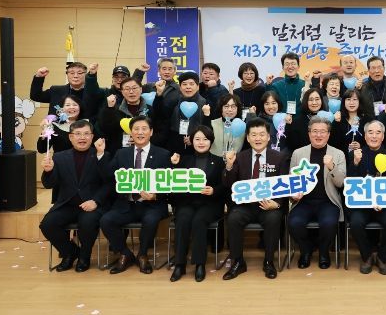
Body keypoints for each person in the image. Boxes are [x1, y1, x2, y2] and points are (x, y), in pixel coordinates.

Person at [100, 116, 171, 275]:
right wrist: (101, 154)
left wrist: (155, 196)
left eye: (144, 129)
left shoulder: (163, 154)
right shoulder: (121, 153)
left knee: (151, 220)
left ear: (151, 132)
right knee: (106, 220)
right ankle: (125, 253)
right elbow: (108, 176)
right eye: (136, 129)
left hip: (152, 204)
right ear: (130, 133)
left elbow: (169, 184)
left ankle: (142, 254)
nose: (140, 132)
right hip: (127, 204)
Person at [222, 118, 289, 280]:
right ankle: (238, 262)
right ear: (247, 138)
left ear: (268, 137)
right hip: (245, 205)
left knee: (273, 219)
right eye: (253, 135)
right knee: (233, 218)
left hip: (268, 204)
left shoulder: (279, 158)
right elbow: (229, 185)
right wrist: (229, 166)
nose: (258, 138)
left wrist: (277, 203)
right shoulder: (240, 157)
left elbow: (285, 184)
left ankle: (269, 261)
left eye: (261, 134)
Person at [39, 121, 111, 272]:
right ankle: (70, 253)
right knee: (47, 224)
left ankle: (84, 256)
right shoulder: (59, 157)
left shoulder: (101, 155)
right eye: (77, 134)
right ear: (70, 137)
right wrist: (48, 171)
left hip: (91, 205)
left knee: (88, 222)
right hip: (67, 204)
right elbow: (49, 184)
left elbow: (109, 183)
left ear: (92, 137)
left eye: (86, 134)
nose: (82, 137)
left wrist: (96, 201)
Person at [288, 117, 346, 269]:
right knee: (294, 223)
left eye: (322, 132)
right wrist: (293, 194)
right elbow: (291, 181)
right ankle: (305, 250)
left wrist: (332, 166)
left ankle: (324, 252)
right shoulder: (298, 153)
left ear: (328, 134)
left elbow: (341, 183)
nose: (318, 135)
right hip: (303, 202)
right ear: (309, 134)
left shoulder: (338, 154)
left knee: (329, 223)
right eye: (315, 131)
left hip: (328, 201)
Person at [168, 126, 225, 282]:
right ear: (191, 141)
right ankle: (180, 264)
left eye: (205, 139)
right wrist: (174, 166)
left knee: (199, 220)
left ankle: (200, 264)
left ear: (211, 141)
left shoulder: (219, 161)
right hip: (187, 202)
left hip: (210, 204)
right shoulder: (184, 160)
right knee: (183, 219)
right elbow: (173, 183)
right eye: (197, 139)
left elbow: (224, 186)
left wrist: (214, 190)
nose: (201, 142)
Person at [346, 120, 386, 275]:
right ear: (365, 135)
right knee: (355, 222)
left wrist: (383, 201)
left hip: (384, 205)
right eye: (370, 132)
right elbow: (348, 183)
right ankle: (367, 256)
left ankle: (382, 257)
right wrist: (355, 163)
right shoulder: (355, 155)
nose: (374, 136)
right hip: (362, 205)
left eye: (378, 133)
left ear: (383, 136)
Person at [153, 71, 207, 155]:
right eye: (184, 84)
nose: (188, 87)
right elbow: (159, 114)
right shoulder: (174, 102)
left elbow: (208, 127)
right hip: (175, 143)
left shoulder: (205, 103)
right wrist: (159, 95)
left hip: (197, 145)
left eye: (191, 84)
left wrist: (195, 137)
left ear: (197, 87)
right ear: (180, 87)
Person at [98, 77, 151, 155]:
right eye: (127, 89)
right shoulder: (114, 109)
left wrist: (143, 140)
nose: (131, 92)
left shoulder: (150, 110)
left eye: (134, 88)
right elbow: (106, 129)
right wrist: (109, 108)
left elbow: (159, 132)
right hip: (120, 153)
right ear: (122, 92)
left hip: (146, 152)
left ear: (141, 89)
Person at [30, 62, 101, 119]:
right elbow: (36, 96)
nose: (75, 76)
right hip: (58, 130)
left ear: (86, 75)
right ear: (67, 74)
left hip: (84, 131)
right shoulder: (56, 90)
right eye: (72, 73)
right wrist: (39, 77)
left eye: (79, 73)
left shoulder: (93, 92)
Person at [143, 58, 181, 147]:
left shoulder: (179, 90)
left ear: (175, 71)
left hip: (170, 134)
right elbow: (132, 87)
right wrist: (140, 72)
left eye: (170, 69)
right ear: (159, 71)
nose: (167, 72)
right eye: (164, 69)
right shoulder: (150, 87)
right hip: (150, 131)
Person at [330, 88, 373, 155]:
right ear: (344, 102)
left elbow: (373, 140)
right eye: (348, 99)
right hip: (343, 158)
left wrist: (361, 146)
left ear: (359, 102)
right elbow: (332, 143)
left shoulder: (367, 119)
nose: (351, 103)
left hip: (363, 157)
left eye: (355, 99)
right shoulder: (339, 120)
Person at [285, 88, 328, 153]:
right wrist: (288, 125)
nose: (314, 102)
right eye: (311, 100)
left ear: (321, 100)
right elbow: (291, 145)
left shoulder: (328, 119)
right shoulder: (297, 122)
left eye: (317, 99)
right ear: (306, 101)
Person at [207, 93, 244, 157]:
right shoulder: (212, 124)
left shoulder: (243, 126)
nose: (230, 109)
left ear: (238, 109)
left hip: (236, 161)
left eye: (233, 106)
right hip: (214, 161)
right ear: (221, 108)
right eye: (226, 106)